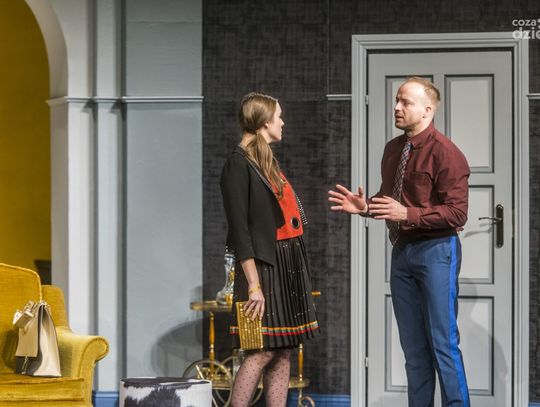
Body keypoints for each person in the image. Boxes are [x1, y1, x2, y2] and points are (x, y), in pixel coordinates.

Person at [328, 77, 470, 407]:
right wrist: (365, 207)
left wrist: (407, 213)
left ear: (427, 110)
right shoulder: (394, 149)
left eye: (406, 102)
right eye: (397, 100)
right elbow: (389, 200)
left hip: (437, 251)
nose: (397, 107)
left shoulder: (446, 153)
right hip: (403, 252)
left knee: (443, 344)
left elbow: (457, 213)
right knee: (413, 349)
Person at [220, 92, 320, 407]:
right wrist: (253, 285)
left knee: (283, 349)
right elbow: (240, 231)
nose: (283, 122)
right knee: (260, 350)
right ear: (265, 123)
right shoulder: (237, 165)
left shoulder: (264, 162)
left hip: (286, 263)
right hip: (262, 268)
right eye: (279, 116)